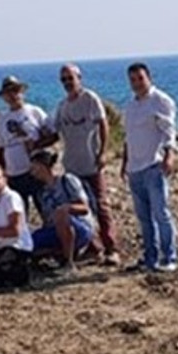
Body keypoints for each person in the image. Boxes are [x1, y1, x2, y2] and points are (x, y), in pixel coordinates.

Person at [52, 63, 120, 266]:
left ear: (79, 78)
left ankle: (112, 248)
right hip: (72, 167)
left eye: (70, 78)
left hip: (91, 164)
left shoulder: (90, 99)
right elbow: (55, 133)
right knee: (81, 208)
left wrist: (102, 153)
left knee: (101, 205)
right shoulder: (62, 106)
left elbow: (103, 124)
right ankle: (93, 247)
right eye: (63, 79)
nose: (67, 83)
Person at [120, 62, 178, 272]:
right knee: (144, 218)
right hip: (134, 168)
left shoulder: (161, 101)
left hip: (153, 166)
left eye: (140, 78)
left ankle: (169, 257)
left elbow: (168, 131)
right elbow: (128, 137)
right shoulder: (130, 106)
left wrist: (169, 155)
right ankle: (150, 258)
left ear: (149, 77)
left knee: (161, 213)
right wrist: (124, 163)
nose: (137, 83)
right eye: (133, 80)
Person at [0, 75, 53, 219]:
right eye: (8, 93)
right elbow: (1, 149)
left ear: (22, 92)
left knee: (45, 208)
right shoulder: (2, 120)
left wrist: (37, 144)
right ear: (4, 97)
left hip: (35, 172)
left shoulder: (35, 112)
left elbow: (52, 135)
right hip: (14, 175)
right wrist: (3, 172)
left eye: (15, 91)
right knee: (20, 214)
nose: (12, 95)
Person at [27, 149, 93, 274]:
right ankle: (53, 256)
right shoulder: (42, 192)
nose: (32, 172)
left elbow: (84, 208)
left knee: (61, 215)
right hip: (55, 228)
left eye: (34, 167)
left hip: (78, 225)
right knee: (30, 240)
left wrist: (66, 208)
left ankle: (69, 263)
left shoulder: (67, 180)